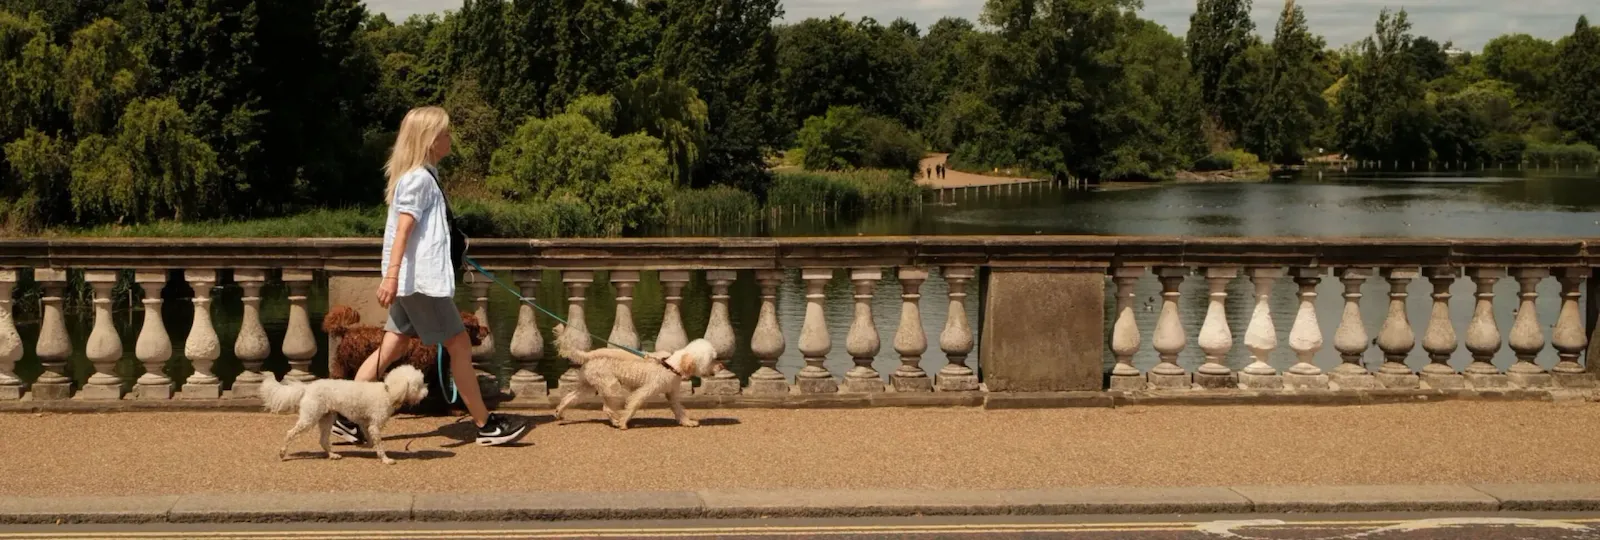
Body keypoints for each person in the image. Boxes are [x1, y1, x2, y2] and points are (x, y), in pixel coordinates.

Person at [332, 106, 528, 447]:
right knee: (460, 346)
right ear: (428, 139)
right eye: (445, 132)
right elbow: (404, 231)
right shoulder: (420, 179)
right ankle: (485, 425)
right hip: (421, 284)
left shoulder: (421, 175)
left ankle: (345, 419)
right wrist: (391, 277)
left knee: (391, 348)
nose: (450, 137)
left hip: (412, 282)